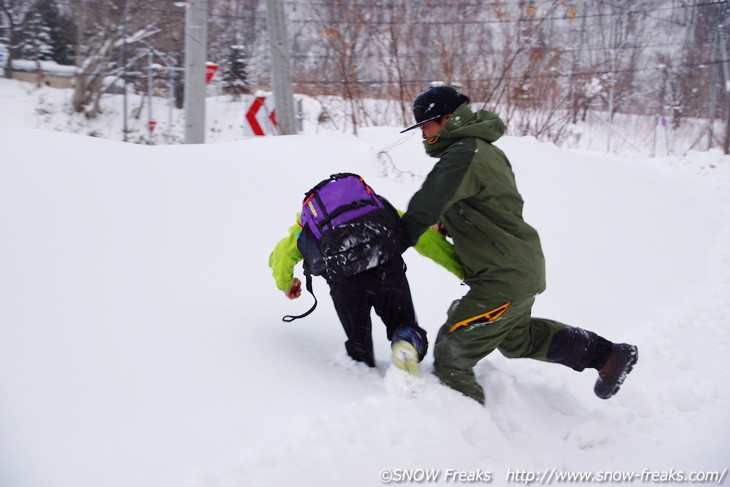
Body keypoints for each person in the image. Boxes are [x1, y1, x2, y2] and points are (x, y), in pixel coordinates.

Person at [398, 86, 638, 404]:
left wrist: (393, 239)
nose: (423, 134)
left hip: (502, 278)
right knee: (517, 340)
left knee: (452, 355)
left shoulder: (464, 154)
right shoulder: (484, 151)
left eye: (425, 125)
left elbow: (425, 206)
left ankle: (466, 436)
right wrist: (447, 222)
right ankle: (607, 355)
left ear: (446, 119)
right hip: (519, 268)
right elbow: (485, 205)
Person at [269, 173, 462, 375]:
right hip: (386, 268)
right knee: (403, 324)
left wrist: (286, 284)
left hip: (345, 282)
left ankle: (363, 373)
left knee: (358, 338)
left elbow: (281, 254)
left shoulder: (308, 224)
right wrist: (465, 270)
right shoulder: (373, 208)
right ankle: (406, 345)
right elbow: (424, 236)